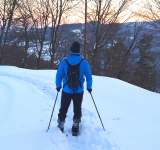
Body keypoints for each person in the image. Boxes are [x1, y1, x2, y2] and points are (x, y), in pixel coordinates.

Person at [55, 41, 92, 136]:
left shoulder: (64, 61)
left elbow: (59, 75)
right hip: (79, 90)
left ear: (71, 50)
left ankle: (61, 124)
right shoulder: (84, 62)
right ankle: (75, 127)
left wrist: (58, 86)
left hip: (66, 90)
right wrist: (89, 87)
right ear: (79, 51)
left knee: (63, 108)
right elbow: (88, 76)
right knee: (77, 108)